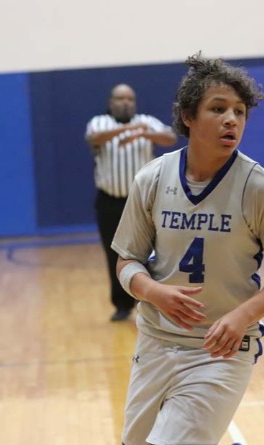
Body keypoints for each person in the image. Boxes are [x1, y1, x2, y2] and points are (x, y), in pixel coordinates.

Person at [112, 53, 264, 445]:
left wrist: (242, 316)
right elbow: (126, 261)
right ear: (188, 116)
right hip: (157, 342)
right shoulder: (152, 179)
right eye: (218, 109)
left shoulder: (262, 189)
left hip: (220, 349)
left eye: (239, 111)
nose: (231, 120)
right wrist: (153, 291)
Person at [86, 83, 178, 321]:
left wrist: (143, 133)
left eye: (130, 99)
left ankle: (151, 300)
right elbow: (94, 138)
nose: (125, 103)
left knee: (154, 252)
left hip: (143, 201)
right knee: (114, 253)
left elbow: (169, 137)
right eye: (120, 98)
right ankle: (122, 305)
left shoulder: (146, 121)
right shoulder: (99, 122)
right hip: (110, 201)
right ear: (111, 103)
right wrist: (129, 130)